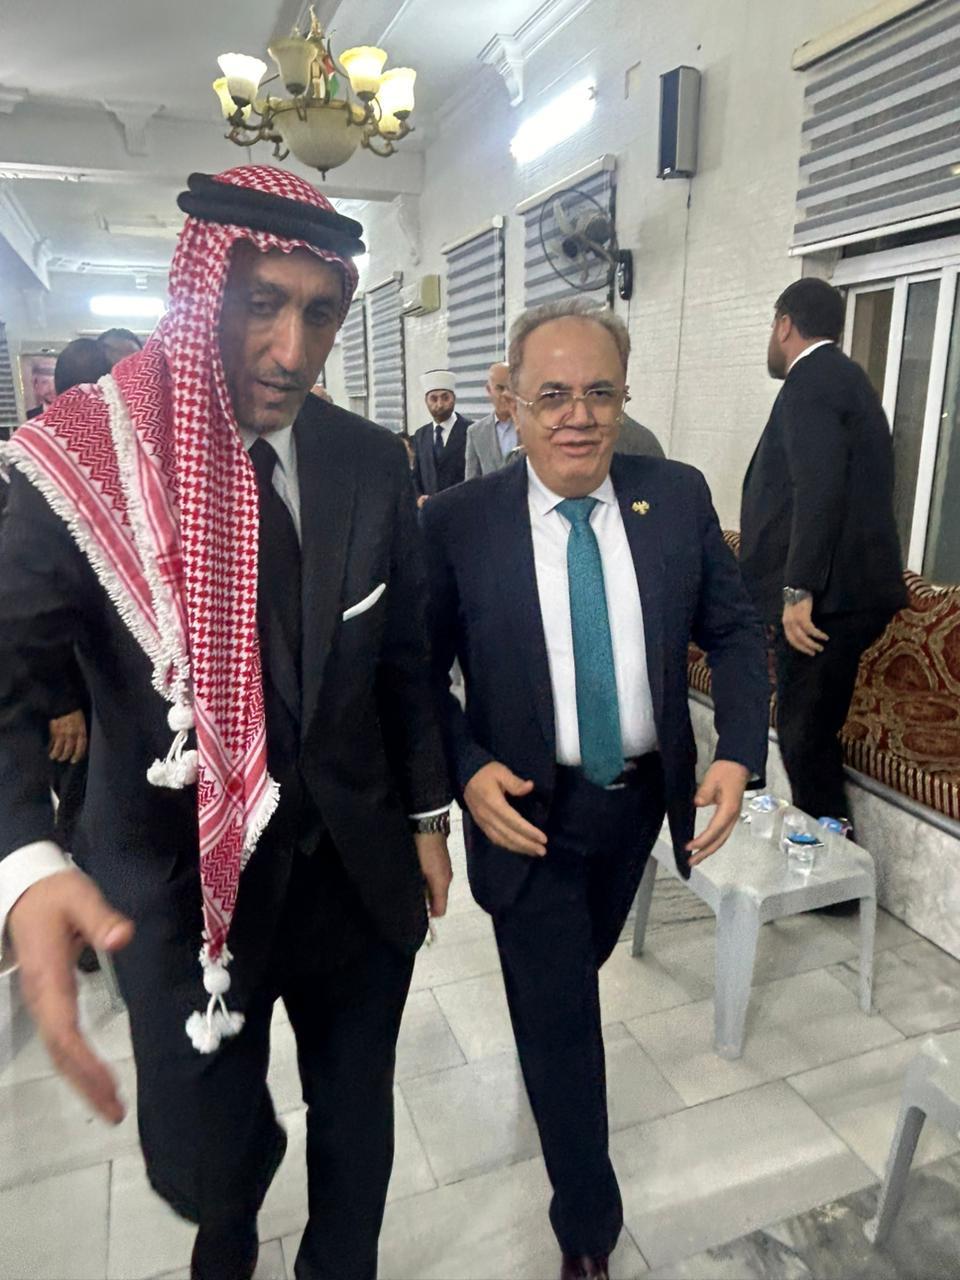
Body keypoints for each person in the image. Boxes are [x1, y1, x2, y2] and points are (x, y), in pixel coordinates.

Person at [0, 164, 452, 1280]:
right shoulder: (86, 464)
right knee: (208, 1165)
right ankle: (232, 1224)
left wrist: (428, 815)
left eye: (320, 314)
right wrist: (23, 858)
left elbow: (405, 660)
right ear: (202, 292)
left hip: (353, 872)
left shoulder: (368, 461)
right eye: (262, 304)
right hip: (177, 892)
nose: (292, 351)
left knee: (358, 1114)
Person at [422, 298, 769, 1280]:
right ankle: (588, 1230)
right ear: (513, 405)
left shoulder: (676, 495)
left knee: (575, 974)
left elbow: (734, 630)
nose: (578, 415)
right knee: (565, 1020)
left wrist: (740, 748)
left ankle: (548, 1055)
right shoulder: (457, 523)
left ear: (623, 399)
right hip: (526, 813)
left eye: (600, 393)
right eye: (553, 395)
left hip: (638, 806)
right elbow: (413, 673)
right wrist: (463, 767)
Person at [740, 277, 907, 842]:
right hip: (845, 593)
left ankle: (830, 866)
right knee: (807, 730)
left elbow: (819, 487)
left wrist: (799, 590)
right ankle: (827, 852)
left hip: (828, 601)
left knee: (804, 735)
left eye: (773, 324)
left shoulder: (810, 382)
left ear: (785, 324)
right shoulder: (846, 379)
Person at [412, 369, 472, 506]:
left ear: (454, 398)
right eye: (433, 399)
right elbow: (415, 476)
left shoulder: (471, 431)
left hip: (463, 510)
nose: (439, 404)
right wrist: (418, 497)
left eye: (445, 398)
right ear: (426, 401)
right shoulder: (421, 435)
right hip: (430, 511)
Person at [464, 362, 518, 478]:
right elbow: (471, 481)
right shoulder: (476, 432)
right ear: (489, 390)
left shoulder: (530, 427)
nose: (505, 394)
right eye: (500, 388)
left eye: (510, 388)